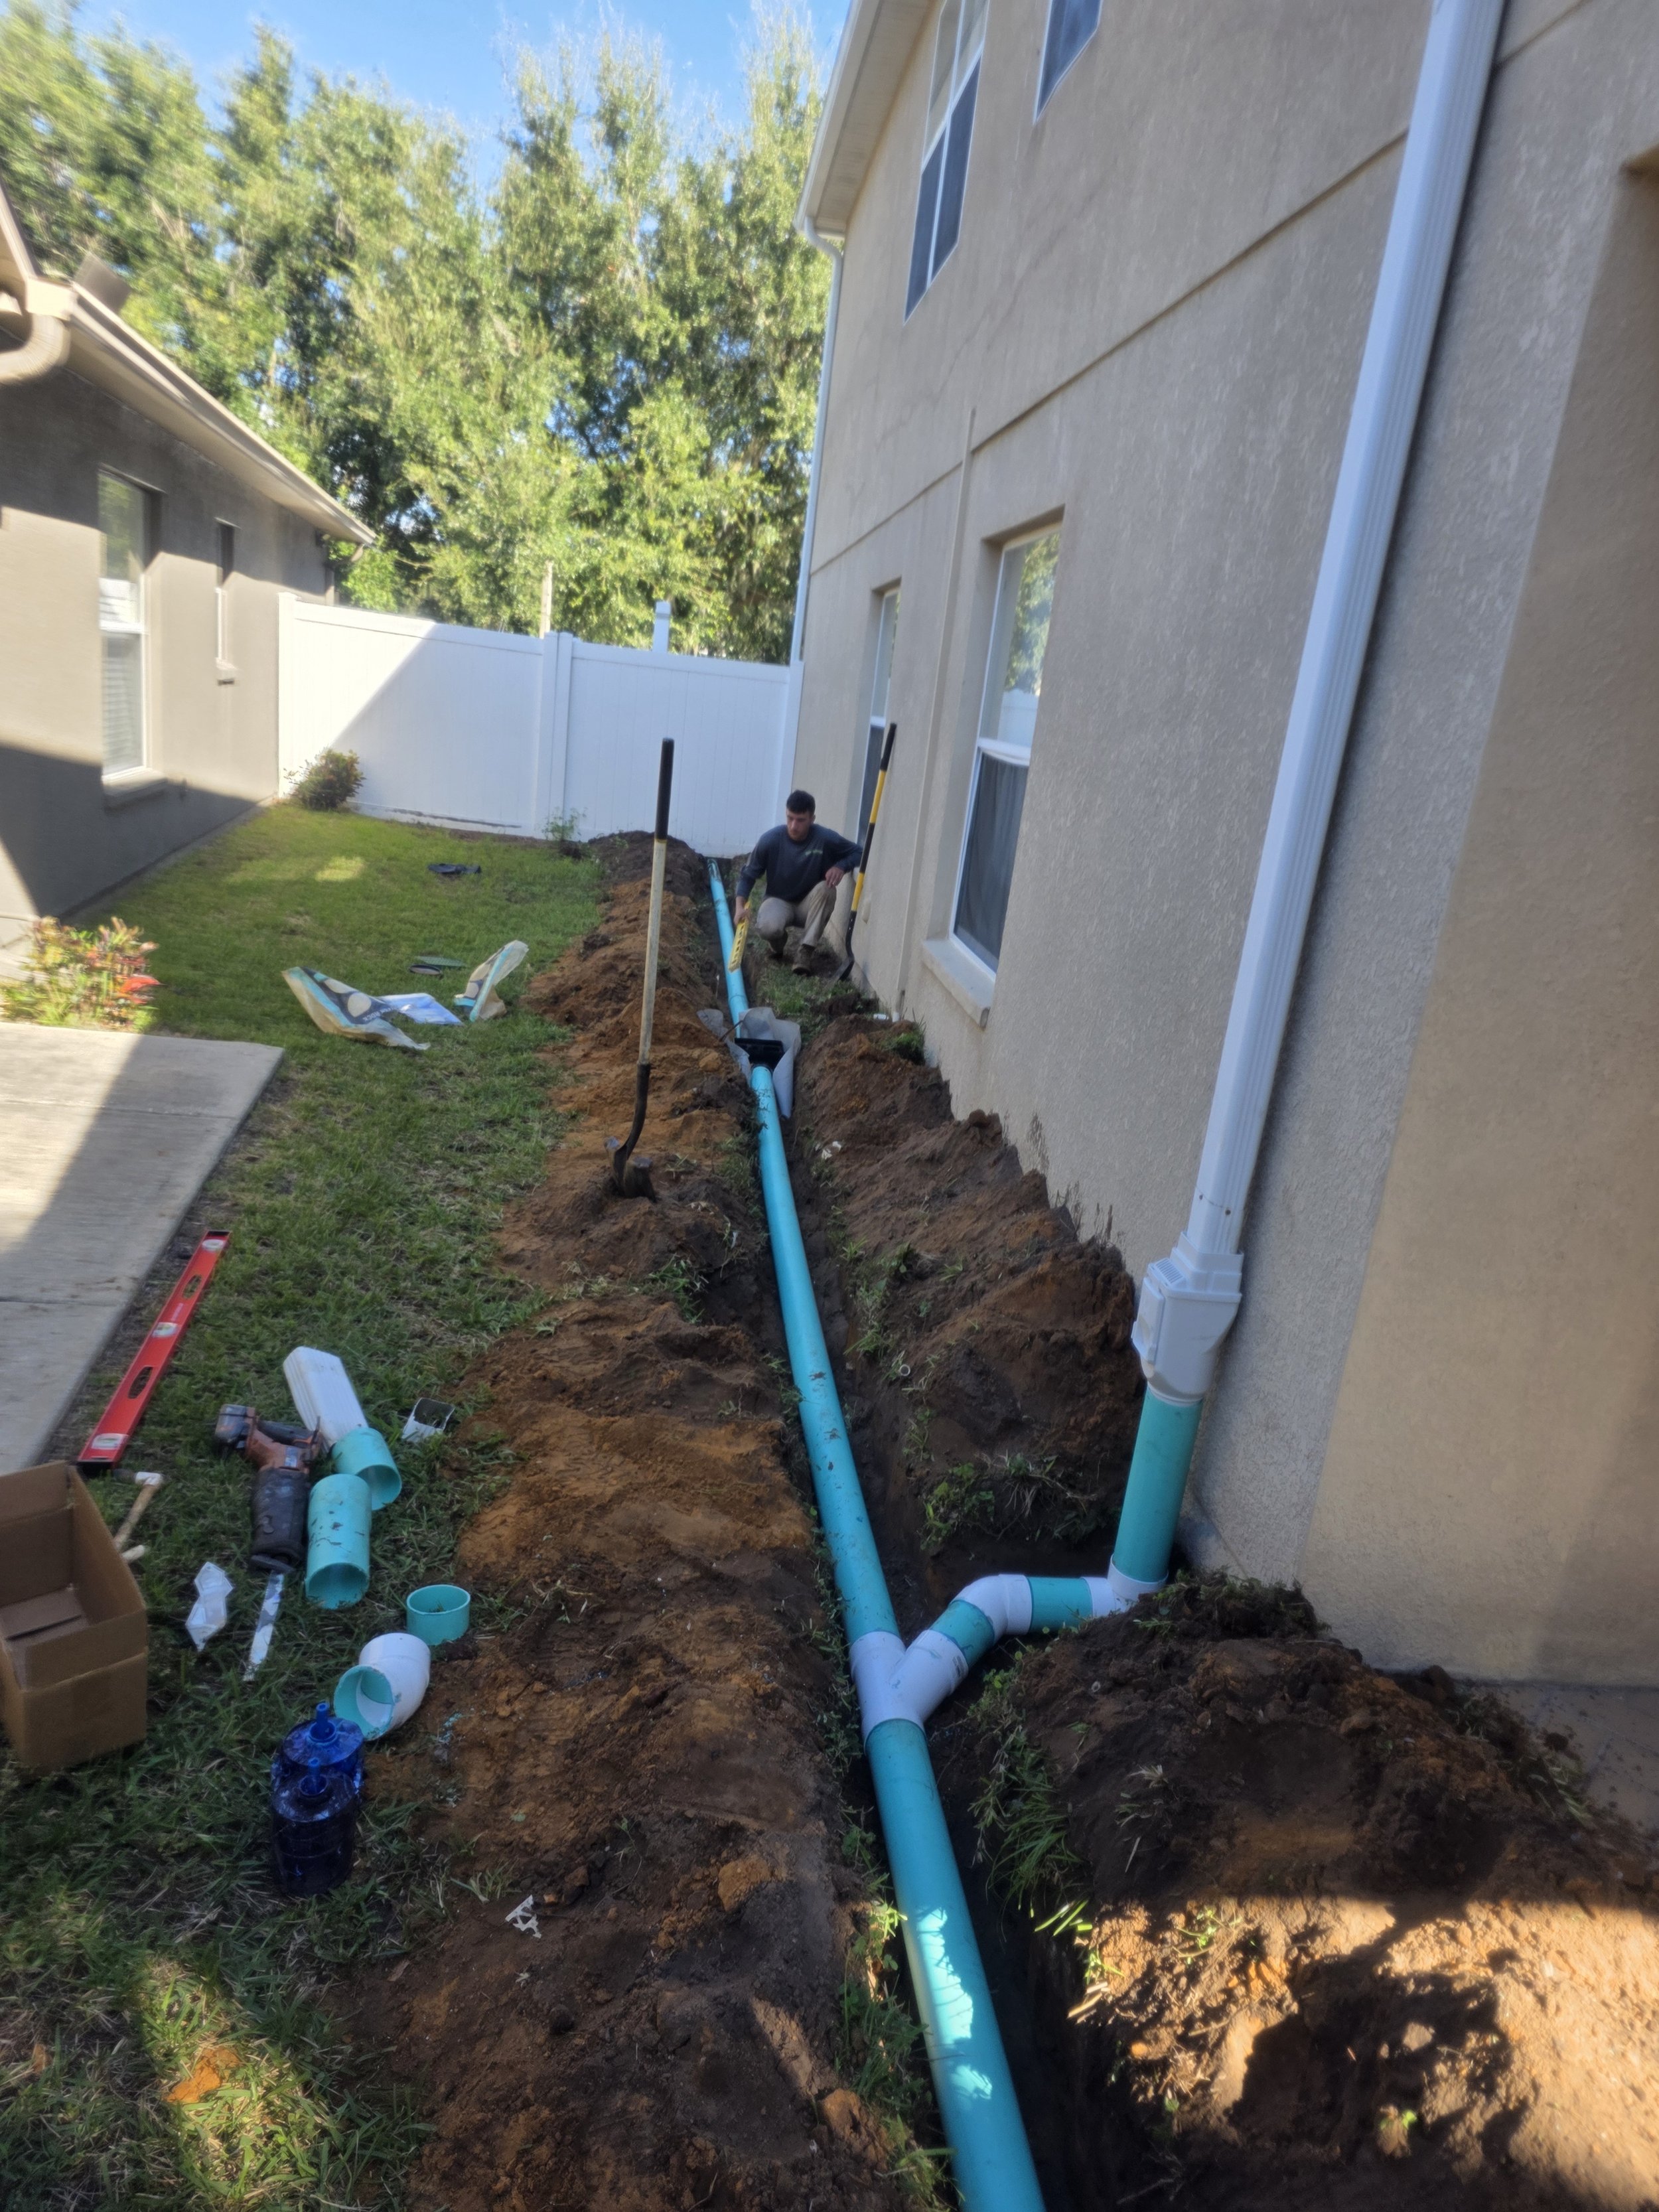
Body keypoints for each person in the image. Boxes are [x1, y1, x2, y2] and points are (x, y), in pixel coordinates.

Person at [733, 791, 862, 973]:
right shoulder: (770, 840)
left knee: (827, 888)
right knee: (768, 928)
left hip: (808, 905)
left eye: (800, 820)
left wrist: (841, 866)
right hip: (778, 901)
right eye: (790, 818)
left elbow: (859, 852)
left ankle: (805, 951)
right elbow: (748, 875)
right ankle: (777, 945)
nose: (794, 826)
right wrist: (739, 907)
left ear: (812, 819)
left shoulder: (825, 839)